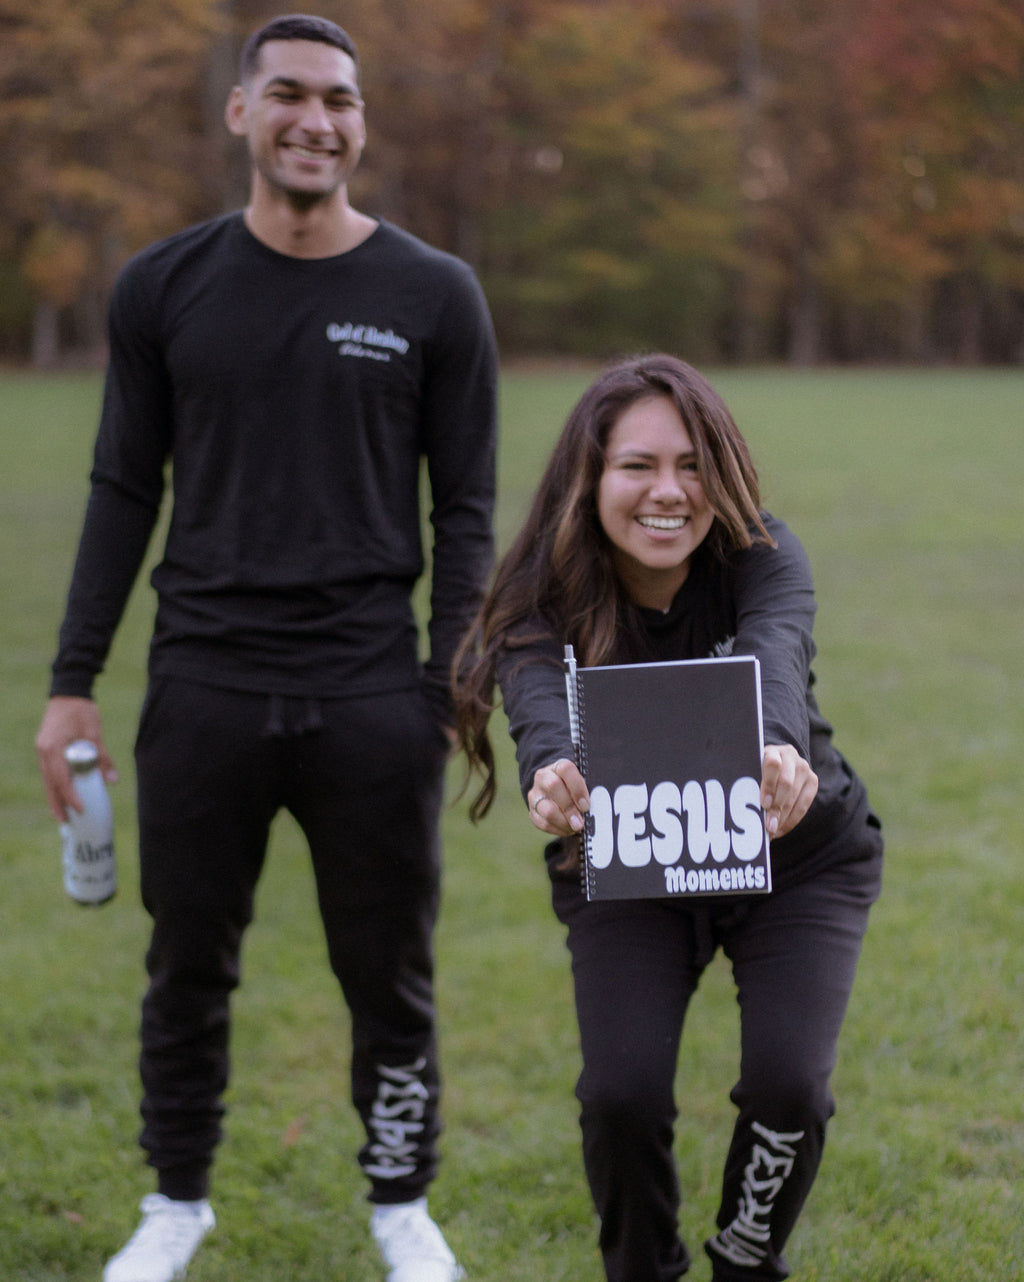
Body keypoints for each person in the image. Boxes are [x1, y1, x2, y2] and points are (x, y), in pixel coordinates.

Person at [35, 14, 497, 1282]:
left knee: (387, 973)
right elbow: (122, 489)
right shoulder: (163, 287)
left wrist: (448, 673)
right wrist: (73, 685)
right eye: (287, 94)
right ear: (240, 112)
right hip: (203, 686)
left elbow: (465, 506)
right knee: (186, 965)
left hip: (369, 696)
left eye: (340, 100)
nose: (316, 120)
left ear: (362, 121)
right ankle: (175, 1201)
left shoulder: (433, 295)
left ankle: (402, 1205)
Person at [455, 354, 882, 1282]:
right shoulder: (541, 594)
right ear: (591, 478)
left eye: (691, 464)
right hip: (631, 868)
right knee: (621, 1096)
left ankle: (744, 1257)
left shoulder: (764, 554)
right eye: (637, 465)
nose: (669, 491)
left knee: (789, 1088)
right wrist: (551, 777)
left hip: (797, 860)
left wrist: (776, 749)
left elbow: (777, 649)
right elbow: (536, 707)